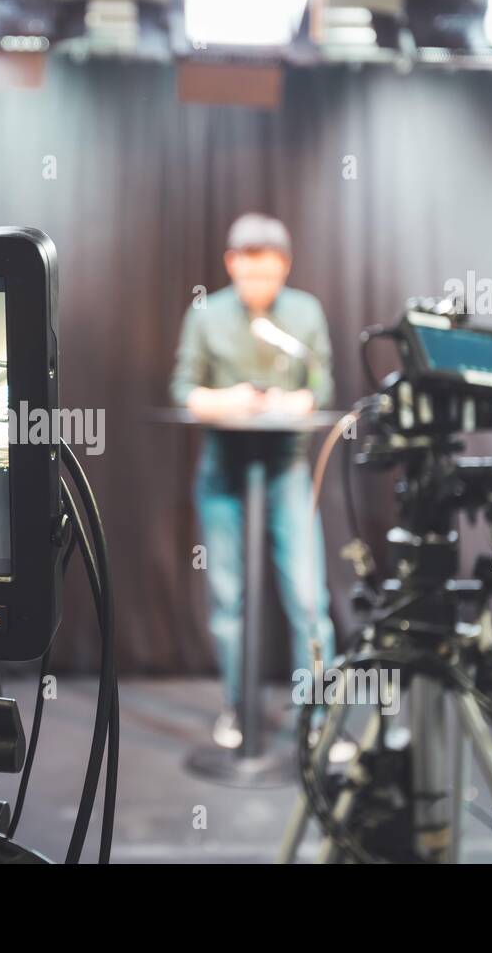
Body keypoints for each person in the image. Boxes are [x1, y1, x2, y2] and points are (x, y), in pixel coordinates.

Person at [170, 213, 337, 749]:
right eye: (248, 275)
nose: (259, 286)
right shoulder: (207, 314)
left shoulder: (305, 312)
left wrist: (297, 400)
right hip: (224, 470)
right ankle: (237, 711)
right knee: (227, 597)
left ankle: (315, 721)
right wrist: (227, 400)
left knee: (309, 598)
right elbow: (183, 387)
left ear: (284, 267)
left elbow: (322, 381)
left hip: (286, 467)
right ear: (231, 264)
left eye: (269, 275)